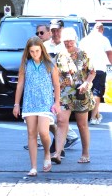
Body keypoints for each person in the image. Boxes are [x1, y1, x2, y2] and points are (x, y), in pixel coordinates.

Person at [24, 20, 80, 153]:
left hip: (64, 88)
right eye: (52, 30)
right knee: (49, 119)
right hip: (46, 89)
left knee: (60, 119)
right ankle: (62, 143)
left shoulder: (66, 46)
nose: (55, 33)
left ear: (62, 30)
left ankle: (59, 148)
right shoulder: (44, 46)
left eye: (57, 30)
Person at [13, 36, 60, 176]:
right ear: (28, 51)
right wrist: (16, 104)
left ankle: (47, 153)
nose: (35, 54)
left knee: (44, 132)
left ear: (42, 50)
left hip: (45, 103)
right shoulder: (25, 65)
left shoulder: (50, 64)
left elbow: (56, 85)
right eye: (32, 51)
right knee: (31, 134)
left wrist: (57, 102)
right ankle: (33, 167)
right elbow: (20, 84)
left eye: (37, 51)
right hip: (29, 103)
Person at [51, 27, 96, 164]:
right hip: (65, 94)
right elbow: (55, 74)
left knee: (82, 125)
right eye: (65, 41)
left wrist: (87, 83)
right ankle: (58, 153)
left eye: (70, 41)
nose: (68, 44)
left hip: (81, 93)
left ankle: (85, 153)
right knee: (61, 121)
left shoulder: (83, 54)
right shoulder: (59, 55)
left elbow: (92, 72)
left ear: (75, 40)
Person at [79, 22, 112, 125]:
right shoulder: (104, 39)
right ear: (102, 30)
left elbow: (80, 53)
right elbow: (109, 53)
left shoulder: (84, 40)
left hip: (86, 69)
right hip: (99, 68)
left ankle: (92, 115)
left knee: (87, 91)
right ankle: (93, 117)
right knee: (97, 92)